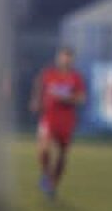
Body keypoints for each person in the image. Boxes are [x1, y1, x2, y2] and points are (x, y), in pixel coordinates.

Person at [28, 45, 86, 199]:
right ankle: (46, 175)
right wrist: (35, 100)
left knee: (61, 154)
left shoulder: (76, 77)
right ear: (58, 58)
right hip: (49, 117)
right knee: (43, 149)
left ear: (72, 60)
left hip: (66, 120)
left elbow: (81, 98)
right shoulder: (49, 74)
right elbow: (39, 84)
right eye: (63, 56)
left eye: (68, 57)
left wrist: (66, 98)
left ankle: (53, 185)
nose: (65, 60)